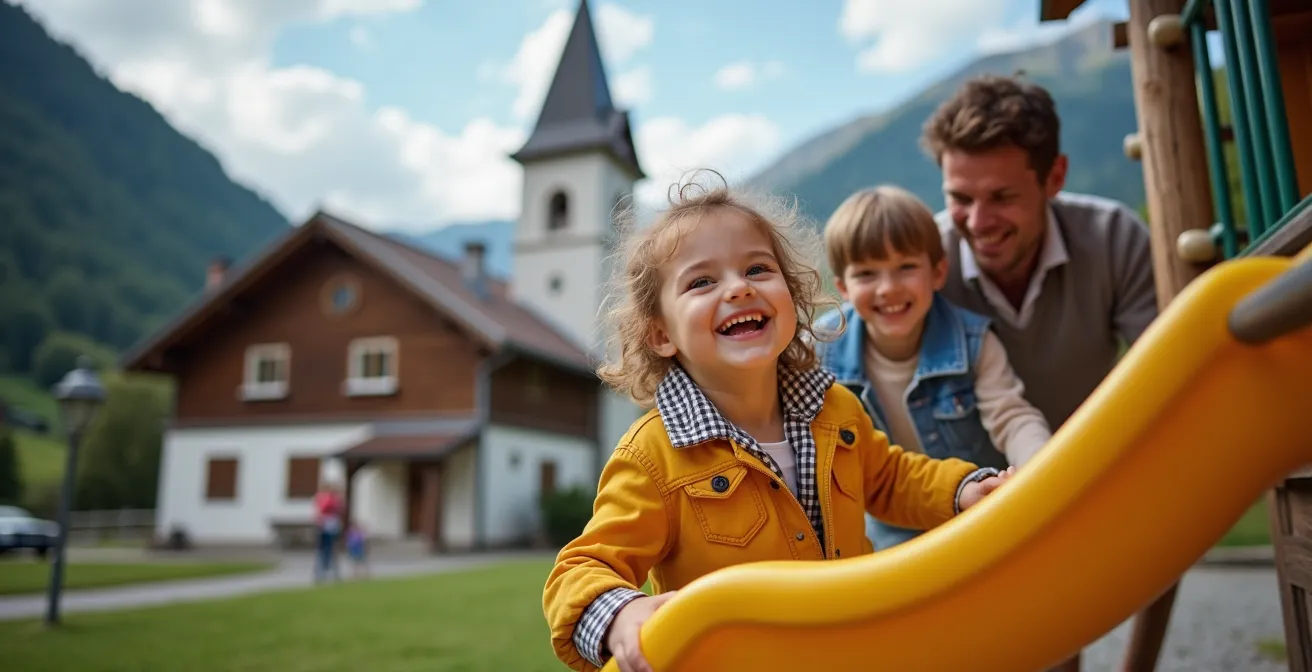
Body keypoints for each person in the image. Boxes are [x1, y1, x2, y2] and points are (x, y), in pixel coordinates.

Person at [542, 170, 1013, 672]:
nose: (739, 289)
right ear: (661, 334)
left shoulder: (836, 410)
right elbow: (582, 567)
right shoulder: (654, 457)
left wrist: (962, 488)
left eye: (758, 269)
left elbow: (892, 476)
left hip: (857, 650)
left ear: (792, 295)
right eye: (702, 281)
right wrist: (621, 614)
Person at [920, 74, 1159, 672]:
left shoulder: (1112, 238)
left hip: (1076, 486)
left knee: (1053, 647)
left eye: (1001, 197)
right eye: (959, 197)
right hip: (959, 498)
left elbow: (1161, 375)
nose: (976, 221)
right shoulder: (921, 262)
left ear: (1055, 178)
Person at [814, 184, 1052, 551]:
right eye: (867, 274)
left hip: (982, 507)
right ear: (844, 286)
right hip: (892, 533)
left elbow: (1012, 416)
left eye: (906, 267)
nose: (888, 288)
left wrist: (1038, 469)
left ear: (938, 272)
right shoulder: (822, 349)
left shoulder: (972, 341)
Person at [313, 481, 345, 584]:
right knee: (324, 550)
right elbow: (322, 510)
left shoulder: (333, 499)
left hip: (330, 527)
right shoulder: (325, 498)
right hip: (326, 527)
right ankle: (322, 572)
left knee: (330, 550)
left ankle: (329, 572)